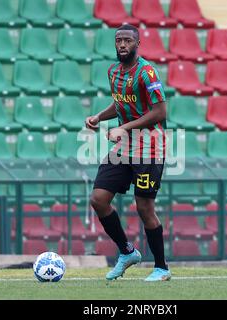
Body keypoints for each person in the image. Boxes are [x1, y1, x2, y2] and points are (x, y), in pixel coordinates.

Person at [85, 24, 170, 282]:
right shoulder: (114, 72)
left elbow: (160, 113)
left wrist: (123, 127)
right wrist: (99, 116)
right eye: (119, 40)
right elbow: (121, 101)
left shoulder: (147, 72)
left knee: (144, 207)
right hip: (124, 146)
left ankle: (161, 268)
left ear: (137, 43)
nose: (122, 45)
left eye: (127, 41)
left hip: (150, 147)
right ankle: (127, 252)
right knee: (99, 199)